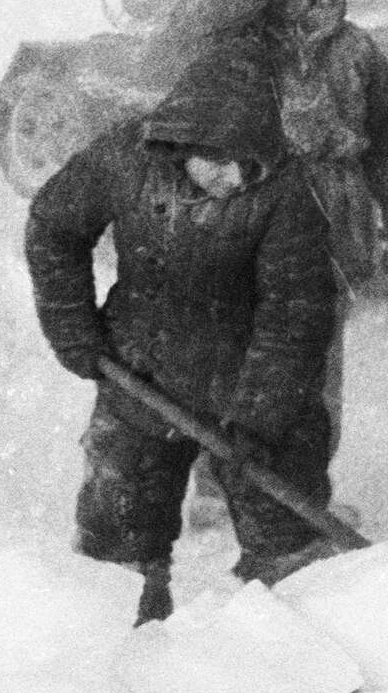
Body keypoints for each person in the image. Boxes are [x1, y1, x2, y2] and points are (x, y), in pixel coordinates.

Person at [25, 40, 340, 620]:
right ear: (180, 145)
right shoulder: (127, 157)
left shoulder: (287, 189)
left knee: (296, 560)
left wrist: (261, 417)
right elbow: (53, 225)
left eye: (247, 163)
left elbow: (295, 315)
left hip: (255, 384)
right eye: (219, 162)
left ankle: (301, 669)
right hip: (141, 372)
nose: (234, 177)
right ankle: (118, 667)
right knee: (115, 552)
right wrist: (71, 326)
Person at [150, 0, 388, 521]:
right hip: (244, 216)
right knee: (234, 357)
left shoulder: (356, 51)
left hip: (329, 225)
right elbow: (174, 39)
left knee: (312, 368)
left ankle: (300, 492)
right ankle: (216, 489)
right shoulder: (229, 44)